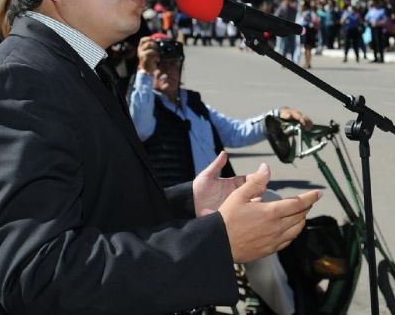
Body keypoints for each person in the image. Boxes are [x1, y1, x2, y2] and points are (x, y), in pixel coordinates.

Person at [0, 0, 321, 315]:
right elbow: (38, 273)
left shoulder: (75, 66)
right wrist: (216, 243)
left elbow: (94, 212)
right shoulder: (16, 81)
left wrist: (186, 205)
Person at [129, 35, 314, 314]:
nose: (166, 71)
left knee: (282, 209)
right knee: (262, 251)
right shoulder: (144, 104)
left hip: (221, 197)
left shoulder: (195, 105)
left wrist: (277, 114)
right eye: (159, 65)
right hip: (183, 210)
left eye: (173, 64)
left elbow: (236, 131)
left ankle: (293, 293)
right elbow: (139, 127)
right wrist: (144, 70)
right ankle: (286, 309)